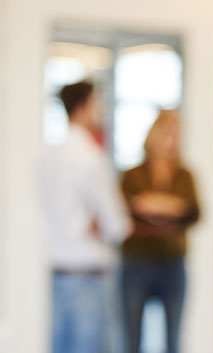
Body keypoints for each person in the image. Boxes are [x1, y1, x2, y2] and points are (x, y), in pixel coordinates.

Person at [39, 81, 131, 353]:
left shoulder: (47, 154)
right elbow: (118, 226)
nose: (100, 111)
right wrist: (94, 223)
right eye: (97, 104)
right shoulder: (91, 157)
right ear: (82, 108)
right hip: (88, 278)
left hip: (58, 273)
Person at [119, 110, 200, 353]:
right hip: (136, 262)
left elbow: (193, 213)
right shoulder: (132, 175)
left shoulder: (185, 175)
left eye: (176, 135)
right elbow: (126, 212)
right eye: (167, 133)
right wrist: (171, 207)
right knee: (131, 338)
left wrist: (151, 204)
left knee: (173, 339)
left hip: (173, 263)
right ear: (153, 135)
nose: (171, 140)